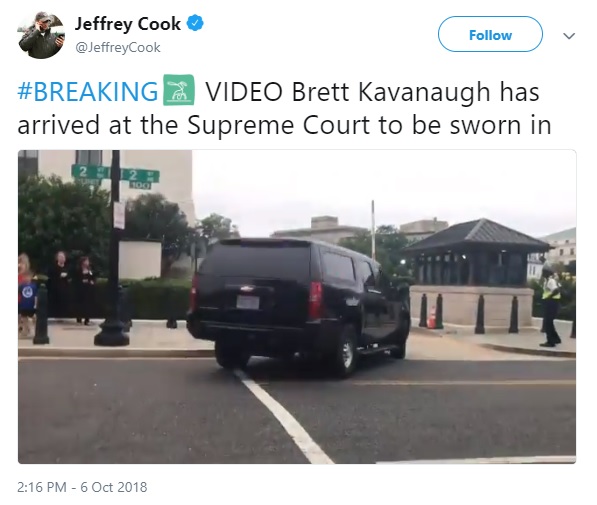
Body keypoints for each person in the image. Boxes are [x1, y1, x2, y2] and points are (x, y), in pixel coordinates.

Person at [540, 263, 562, 347]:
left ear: (547, 273)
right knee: (549, 322)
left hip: (552, 303)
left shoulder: (551, 281)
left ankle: (550, 342)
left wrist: (549, 297)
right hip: (551, 302)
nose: (542, 273)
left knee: (548, 322)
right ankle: (556, 338)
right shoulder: (549, 280)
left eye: (543, 272)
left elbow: (556, 290)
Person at [47, 251, 70, 320]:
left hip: (65, 288)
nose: (62, 258)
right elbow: (50, 277)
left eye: (63, 257)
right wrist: (59, 276)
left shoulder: (67, 268)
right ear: (57, 258)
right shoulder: (53, 267)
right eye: (60, 257)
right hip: (55, 288)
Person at [74, 256, 96, 325]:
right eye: (86, 261)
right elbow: (75, 279)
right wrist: (81, 281)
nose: (87, 263)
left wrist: (92, 281)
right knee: (80, 304)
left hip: (88, 289)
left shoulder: (90, 270)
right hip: (80, 289)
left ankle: (87, 319)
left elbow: (93, 278)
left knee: (88, 305)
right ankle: (79, 318)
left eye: (88, 261)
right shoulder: (78, 270)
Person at [18, 269, 38, 338]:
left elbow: (36, 296)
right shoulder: (21, 286)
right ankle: (25, 331)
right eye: (25, 277)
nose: (26, 278)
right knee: (24, 319)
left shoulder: (33, 286)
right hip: (23, 305)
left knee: (32, 318)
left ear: (31, 277)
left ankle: (33, 331)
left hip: (31, 305)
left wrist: (36, 304)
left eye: (28, 276)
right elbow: (19, 294)